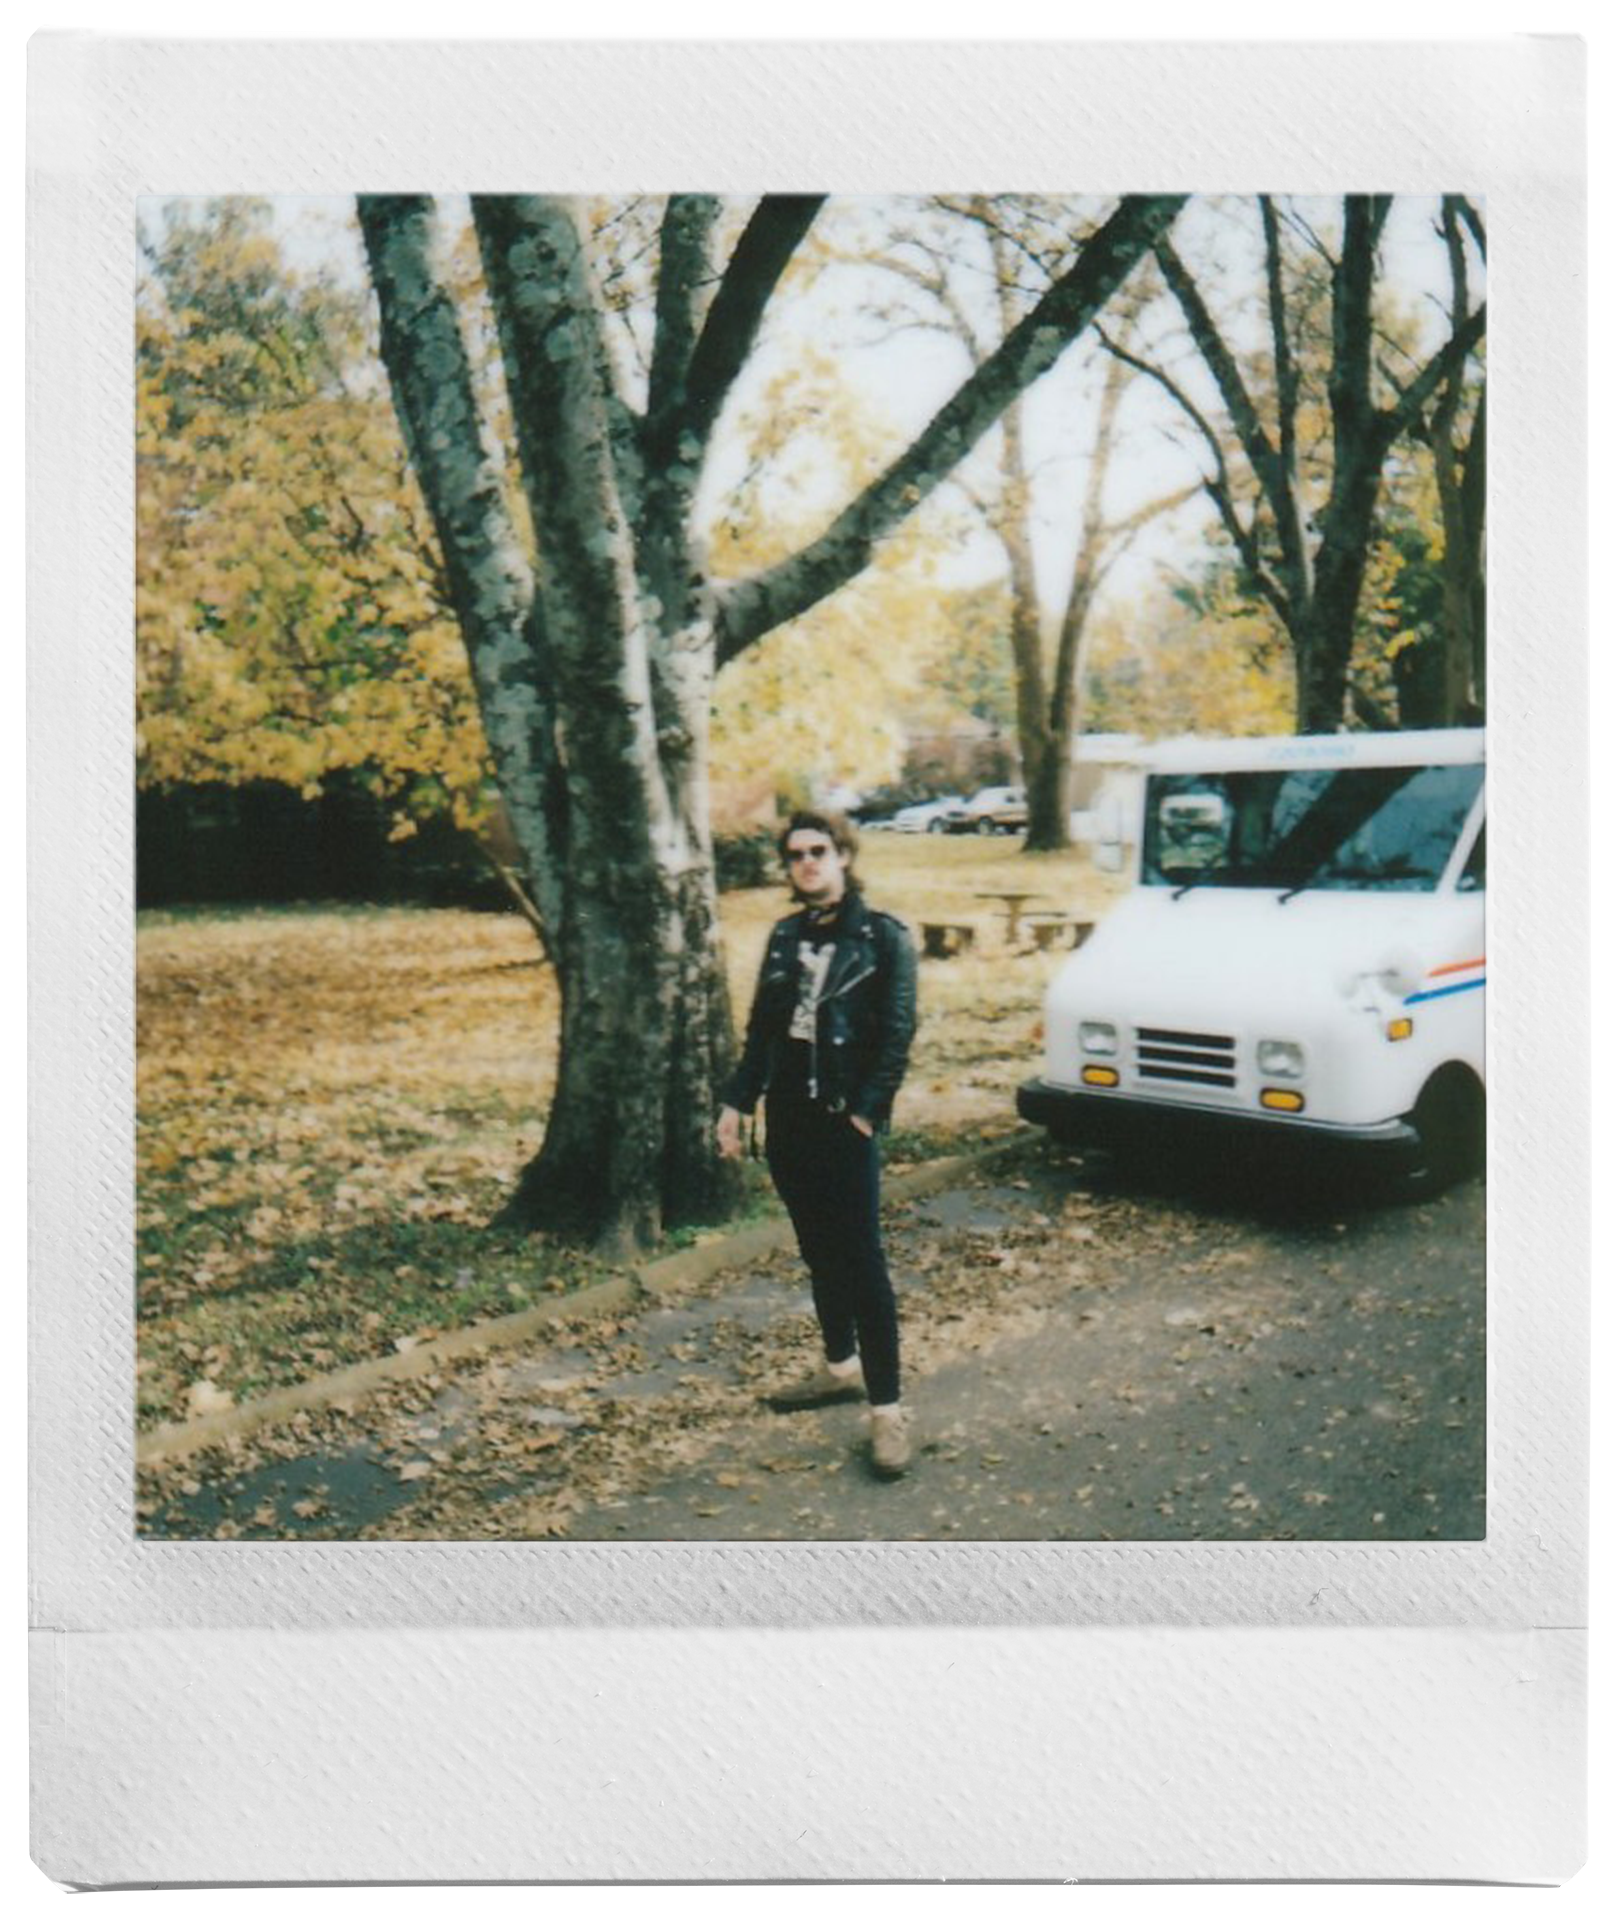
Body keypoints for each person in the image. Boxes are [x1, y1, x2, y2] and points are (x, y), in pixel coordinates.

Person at [716, 810, 918, 1478]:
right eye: (795, 854)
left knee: (862, 1261)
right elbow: (761, 1033)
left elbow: (897, 1034)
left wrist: (864, 1115)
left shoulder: (883, 937)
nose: (806, 863)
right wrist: (736, 1103)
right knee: (817, 1250)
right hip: (789, 1121)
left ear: (843, 856)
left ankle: (887, 1411)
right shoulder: (784, 937)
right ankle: (839, 1368)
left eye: (817, 851)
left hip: (842, 1119)